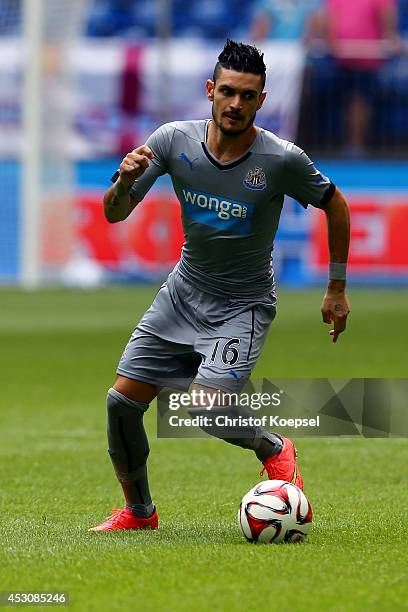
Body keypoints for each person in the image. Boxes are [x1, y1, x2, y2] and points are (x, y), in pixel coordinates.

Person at [90, 39, 350, 532]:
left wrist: (336, 288)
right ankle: (140, 513)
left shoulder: (281, 159)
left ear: (261, 100)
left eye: (247, 96)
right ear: (210, 90)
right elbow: (114, 212)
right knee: (121, 404)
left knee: (205, 408)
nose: (235, 104)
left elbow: (335, 204)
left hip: (243, 305)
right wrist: (123, 183)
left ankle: (273, 447)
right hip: (183, 293)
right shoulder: (172, 141)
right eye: (227, 92)